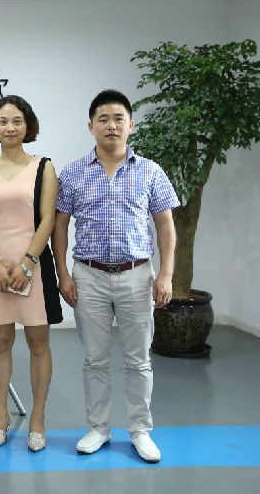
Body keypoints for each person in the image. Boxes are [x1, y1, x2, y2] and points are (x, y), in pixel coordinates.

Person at [52, 89, 178, 463]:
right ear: (91, 126)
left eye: (118, 118)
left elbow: (166, 225)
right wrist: (63, 274)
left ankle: (140, 431)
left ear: (130, 125)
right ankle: (99, 428)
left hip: (137, 275)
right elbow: (59, 226)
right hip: (88, 275)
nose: (111, 125)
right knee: (95, 359)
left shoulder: (150, 170)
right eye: (103, 119)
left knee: (139, 360)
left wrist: (166, 275)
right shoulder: (73, 172)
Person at [0, 95, 61, 452]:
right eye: (3, 121)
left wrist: (27, 264)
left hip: (33, 268)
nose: (10, 128)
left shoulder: (44, 167)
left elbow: (48, 220)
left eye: (17, 121)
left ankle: (37, 419)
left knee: (39, 345)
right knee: (1, 344)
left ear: (28, 126)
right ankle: (1, 417)